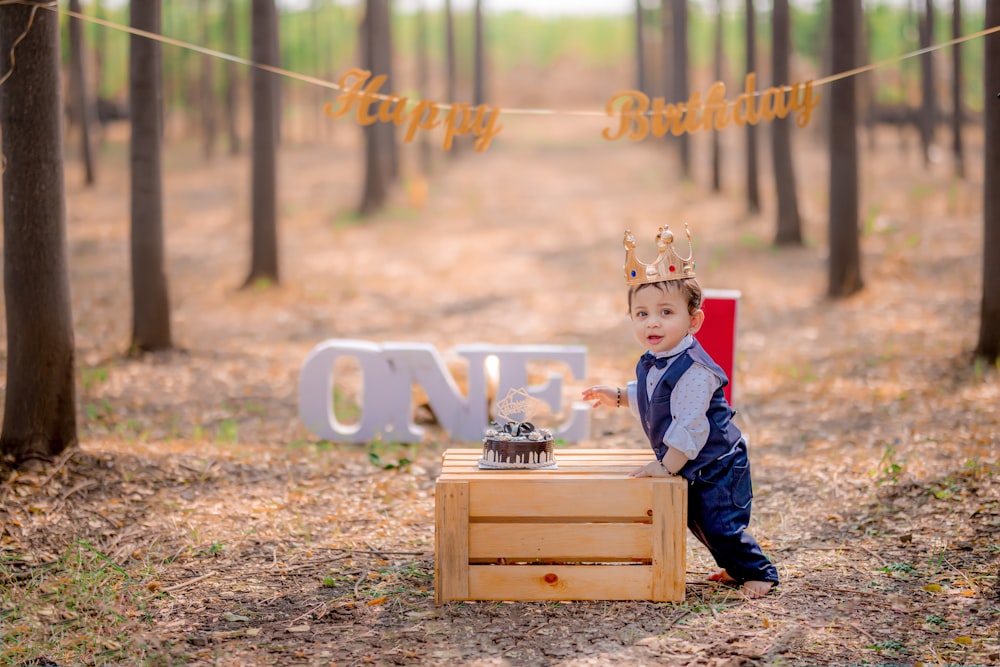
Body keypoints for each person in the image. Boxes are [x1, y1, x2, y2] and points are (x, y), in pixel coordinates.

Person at [582, 226, 778, 598]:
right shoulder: (657, 359)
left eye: (665, 312)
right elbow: (655, 394)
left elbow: (690, 425)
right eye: (641, 313)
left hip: (717, 462)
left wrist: (666, 466)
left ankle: (759, 571)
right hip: (692, 462)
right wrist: (620, 395)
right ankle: (733, 566)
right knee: (697, 522)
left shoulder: (695, 371)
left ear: (694, 321)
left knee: (720, 524)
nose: (652, 322)